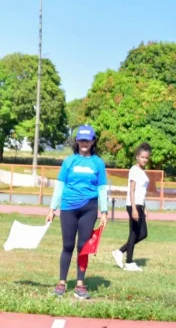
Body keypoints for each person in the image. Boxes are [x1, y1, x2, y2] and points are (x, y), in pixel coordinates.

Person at [46, 125, 109, 300]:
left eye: (87, 140)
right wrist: (52, 209)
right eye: (81, 140)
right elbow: (59, 186)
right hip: (68, 208)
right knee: (67, 246)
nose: (84, 143)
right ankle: (62, 283)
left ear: (93, 141)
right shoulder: (69, 161)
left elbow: (102, 188)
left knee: (83, 247)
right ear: (77, 141)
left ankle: (80, 285)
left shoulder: (98, 163)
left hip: (89, 208)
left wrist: (104, 212)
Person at [113, 142, 151, 272]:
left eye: (146, 157)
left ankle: (120, 251)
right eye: (142, 157)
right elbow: (132, 191)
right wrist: (134, 209)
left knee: (143, 234)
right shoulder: (134, 170)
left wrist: (144, 207)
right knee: (134, 234)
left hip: (140, 205)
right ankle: (129, 262)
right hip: (133, 205)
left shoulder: (142, 171)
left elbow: (141, 192)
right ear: (137, 157)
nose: (144, 159)